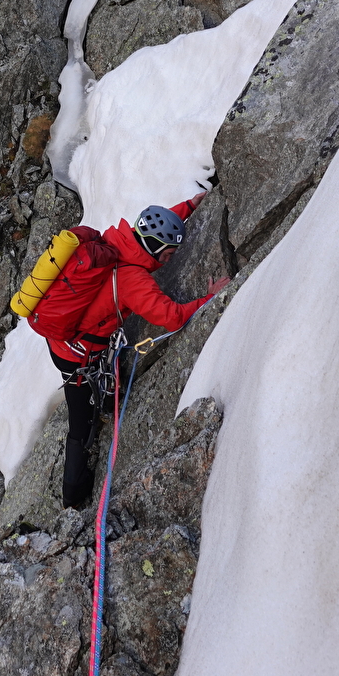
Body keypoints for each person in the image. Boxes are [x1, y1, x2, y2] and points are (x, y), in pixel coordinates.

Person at [48, 196, 229, 507]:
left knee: (97, 391)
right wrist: (208, 298)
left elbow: (160, 224)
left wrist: (191, 204)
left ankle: (105, 401)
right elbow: (171, 317)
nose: (171, 259)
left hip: (64, 342)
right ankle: (73, 498)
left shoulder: (118, 239)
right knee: (81, 424)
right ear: (155, 248)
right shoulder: (133, 280)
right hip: (77, 355)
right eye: (169, 254)